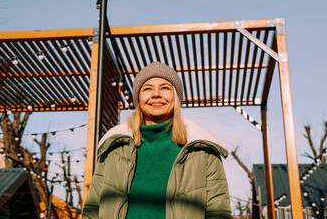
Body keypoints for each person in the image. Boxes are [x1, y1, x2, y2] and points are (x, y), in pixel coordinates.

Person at [83, 61, 232, 219]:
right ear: (139, 98)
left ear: (175, 97)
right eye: (147, 88)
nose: (156, 94)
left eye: (165, 88)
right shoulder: (115, 147)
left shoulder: (201, 150)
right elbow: (92, 210)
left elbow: (219, 212)